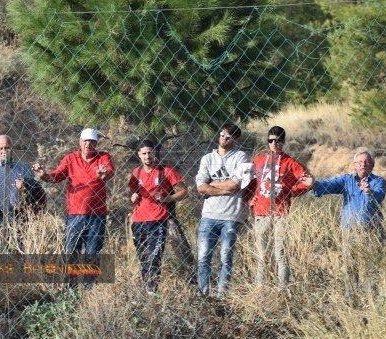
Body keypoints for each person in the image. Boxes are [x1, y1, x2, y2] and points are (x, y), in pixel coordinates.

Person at [32, 128, 114, 281]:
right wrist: (43, 175)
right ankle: (72, 288)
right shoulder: (70, 159)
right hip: (75, 214)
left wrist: (104, 174)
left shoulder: (103, 157)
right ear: (79, 142)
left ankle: (89, 290)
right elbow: (56, 176)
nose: (88, 144)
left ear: (96, 143)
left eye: (91, 141)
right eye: (85, 140)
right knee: (72, 252)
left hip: (97, 215)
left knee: (92, 252)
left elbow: (109, 171)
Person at [301, 148, 386, 292]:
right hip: (350, 231)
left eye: (366, 162)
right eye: (359, 162)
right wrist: (314, 184)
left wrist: (369, 192)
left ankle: (371, 298)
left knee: (371, 266)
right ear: (354, 165)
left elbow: (380, 195)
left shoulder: (379, 181)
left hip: (372, 231)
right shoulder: (346, 180)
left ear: (372, 165)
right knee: (350, 265)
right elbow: (328, 185)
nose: (363, 164)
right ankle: (351, 296)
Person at [195, 124, 254, 298]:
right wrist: (225, 188)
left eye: (228, 137)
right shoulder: (207, 159)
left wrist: (211, 185)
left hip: (231, 215)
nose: (223, 138)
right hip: (209, 215)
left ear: (235, 140)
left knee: (225, 258)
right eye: (222, 134)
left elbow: (236, 184)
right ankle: (203, 295)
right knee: (203, 257)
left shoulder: (241, 157)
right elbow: (200, 187)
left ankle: (222, 296)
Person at [249, 126, 310, 287]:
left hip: (280, 213)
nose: (274, 143)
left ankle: (282, 289)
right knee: (262, 254)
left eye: (278, 140)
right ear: (268, 141)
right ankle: (260, 288)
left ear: (283, 142)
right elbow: (248, 182)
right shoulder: (259, 160)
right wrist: (250, 199)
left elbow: (307, 181)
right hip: (261, 212)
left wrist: (290, 191)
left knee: (280, 253)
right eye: (271, 140)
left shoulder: (290, 162)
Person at [128, 139, 187, 294]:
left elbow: (183, 191)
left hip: (158, 220)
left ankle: (152, 291)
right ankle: (146, 289)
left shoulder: (165, 170)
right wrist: (133, 197)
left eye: (150, 153)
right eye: (144, 153)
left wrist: (167, 198)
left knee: (155, 256)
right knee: (143, 258)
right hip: (139, 220)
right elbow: (133, 192)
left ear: (155, 153)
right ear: (139, 155)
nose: (147, 156)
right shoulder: (136, 172)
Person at [0, 134, 45, 251]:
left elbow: (36, 192)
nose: (4, 151)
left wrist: (25, 187)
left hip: (21, 216)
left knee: (21, 251)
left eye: (7, 148)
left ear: (12, 148)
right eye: (0, 148)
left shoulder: (23, 168)